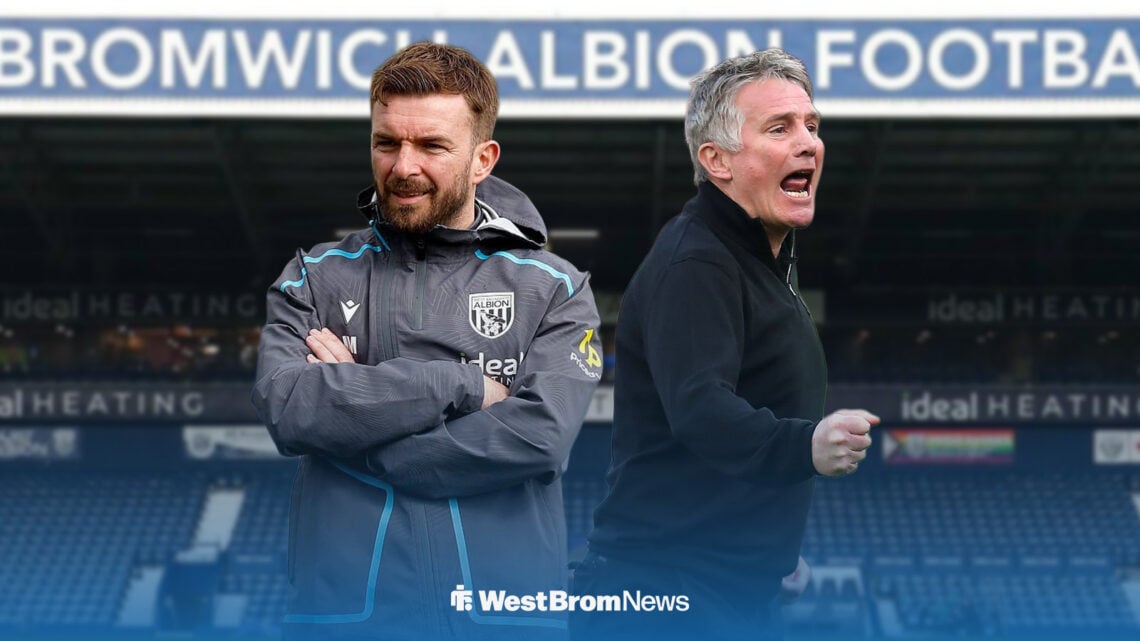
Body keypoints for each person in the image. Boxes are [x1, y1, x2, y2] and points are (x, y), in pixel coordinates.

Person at [251, 42, 602, 641]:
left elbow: (540, 436)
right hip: (344, 622)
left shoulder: (555, 287)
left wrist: (353, 433)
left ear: (482, 158)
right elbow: (288, 408)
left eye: (432, 146)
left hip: (507, 621)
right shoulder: (314, 277)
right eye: (387, 143)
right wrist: (457, 383)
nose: (403, 166)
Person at [571, 49, 878, 641]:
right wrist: (806, 446)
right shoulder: (698, 261)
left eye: (812, 125)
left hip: (724, 590)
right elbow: (702, 411)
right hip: (665, 598)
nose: (809, 143)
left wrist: (768, 554)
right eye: (780, 128)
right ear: (717, 161)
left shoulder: (762, 256)